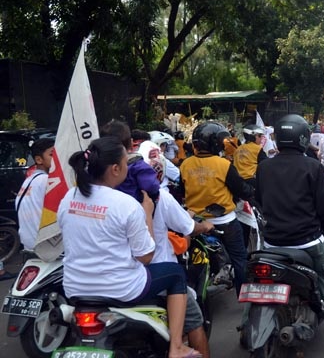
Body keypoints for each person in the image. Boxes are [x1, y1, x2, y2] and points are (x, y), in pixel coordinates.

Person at [58, 136, 201, 358]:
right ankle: (176, 346)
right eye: (127, 163)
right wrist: (147, 214)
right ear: (115, 168)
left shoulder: (68, 197)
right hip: (122, 289)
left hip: (75, 289)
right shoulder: (128, 205)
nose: (129, 167)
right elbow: (146, 256)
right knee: (176, 274)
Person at [255, 114, 324, 354]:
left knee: (260, 281)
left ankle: (246, 327)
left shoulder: (264, 167)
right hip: (309, 242)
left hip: (272, 243)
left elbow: (259, 200)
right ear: (303, 138)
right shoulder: (312, 166)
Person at [179, 122, 254, 295]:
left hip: (195, 222)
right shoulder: (223, 164)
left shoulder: (185, 165)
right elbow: (241, 189)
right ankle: (243, 297)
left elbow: (183, 192)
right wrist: (253, 192)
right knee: (240, 258)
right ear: (215, 143)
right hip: (224, 221)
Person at [151, 186, 215, 358]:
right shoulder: (158, 197)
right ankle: (177, 346)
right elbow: (188, 229)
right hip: (153, 278)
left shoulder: (111, 196)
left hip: (109, 284)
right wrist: (204, 226)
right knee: (194, 321)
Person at [100, 120, 160, 204]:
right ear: (131, 142)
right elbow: (151, 186)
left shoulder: (99, 163)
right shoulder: (137, 165)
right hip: (136, 205)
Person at [15, 138, 54, 251]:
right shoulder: (47, 180)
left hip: (28, 245)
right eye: (52, 155)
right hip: (46, 247)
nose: (58, 159)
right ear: (38, 159)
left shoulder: (29, 181)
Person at [233, 124, 267, 189]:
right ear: (253, 136)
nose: (261, 138)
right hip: (251, 180)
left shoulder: (238, 149)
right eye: (259, 136)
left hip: (238, 181)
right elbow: (265, 164)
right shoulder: (257, 148)